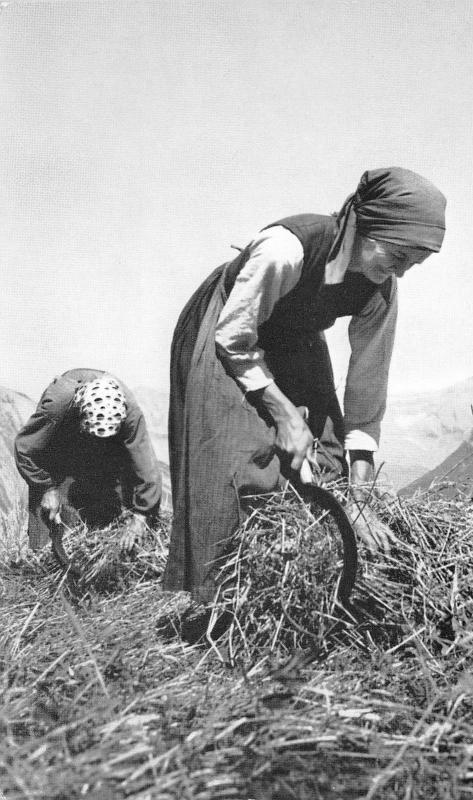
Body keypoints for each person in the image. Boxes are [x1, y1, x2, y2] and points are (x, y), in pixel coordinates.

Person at [164, 167, 446, 599]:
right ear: (367, 227)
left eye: (414, 264)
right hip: (228, 327)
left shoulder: (381, 287)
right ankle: (227, 597)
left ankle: (308, 583)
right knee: (241, 457)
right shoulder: (286, 250)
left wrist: (361, 492)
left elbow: (367, 384)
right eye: (397, 257)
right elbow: (234, 337)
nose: (402, 273)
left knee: (327, 451)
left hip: (294, 334)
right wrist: (282, 413)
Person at [14, 369, 162, 551]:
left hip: (109, 454)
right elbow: (25, 448)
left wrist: (141, 516)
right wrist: (46, 488)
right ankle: (44, 557)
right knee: (48, 526)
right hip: (60, 444)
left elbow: (146, 465)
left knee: (111, 511)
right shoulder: (58, 405)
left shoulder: (130, 413)